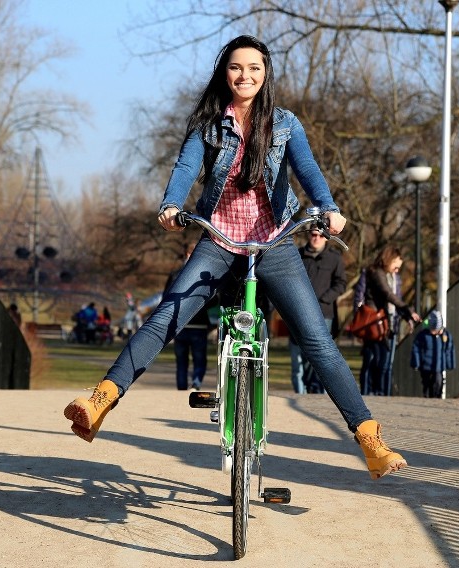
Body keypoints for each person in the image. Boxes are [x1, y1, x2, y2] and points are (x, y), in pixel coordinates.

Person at [63, 35, 408, 480]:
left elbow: (308, 171)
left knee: (317, 340)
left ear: (265, 75)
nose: (245, 76)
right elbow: (186, 169)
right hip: (218, 240)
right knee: (167, 315)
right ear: (223, 73)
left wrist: (329, 207)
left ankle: (369, 439)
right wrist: (172, 204)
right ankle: (101, 400)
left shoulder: (285, 124)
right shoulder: (207, 124)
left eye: (254, 68)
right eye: (235, 68)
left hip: (276, 243)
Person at [289, 229, 346, 394]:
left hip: (324, 314)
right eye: (313, 235)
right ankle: (300, 394)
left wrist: (324, 299)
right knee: (298, 357)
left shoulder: (334, 258)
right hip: (298, 313)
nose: (316, 238)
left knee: (319, 355)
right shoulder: (297, 255)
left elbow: (341, 283)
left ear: (326, 238)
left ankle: (316, 392)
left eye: (321, 235)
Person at [358, 245, 421, 396]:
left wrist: (407, 314)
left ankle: (382, 393)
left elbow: (395, 298)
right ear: (389, 259)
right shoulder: (376, 273)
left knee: (385, 362)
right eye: (396, 266)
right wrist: (407, 308)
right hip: (375, 322)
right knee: (373, 359)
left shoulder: (392, 277)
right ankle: (370, 392)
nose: (397, 270)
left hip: (389, 322)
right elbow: (388, 294)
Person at [164, 244, 215, 390]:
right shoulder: (206, 274)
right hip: (199, 324)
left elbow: (165, 297)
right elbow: (213, 299)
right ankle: (196, 384)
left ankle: (181, 388)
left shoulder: (175, 274)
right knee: (199, 359)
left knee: (181, 360)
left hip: (179, 324)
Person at [410, 310, 456, 398]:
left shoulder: (445, 335)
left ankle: (437, 396)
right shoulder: (423, 335)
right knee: (427, 384)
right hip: (425, 367)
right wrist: (416, 363)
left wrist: (450, 364)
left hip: (438, 367)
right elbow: (416, 349)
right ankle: (428, 396)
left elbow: (449, 350)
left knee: (438, 382)